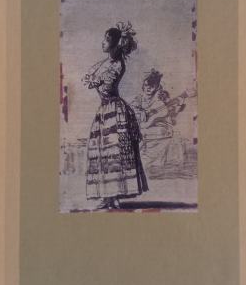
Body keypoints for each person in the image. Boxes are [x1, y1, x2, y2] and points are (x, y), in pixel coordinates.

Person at [81, 22, 148, 209]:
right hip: (104, 110)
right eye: (104, 39)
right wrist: (94, 81)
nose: (102, 43)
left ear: (116, 44)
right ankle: (107, 197)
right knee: (103, 153)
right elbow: (89, 80)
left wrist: (96, 81)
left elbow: (107, 88)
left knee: (114, 153)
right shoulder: (104, 63)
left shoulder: (118, 65)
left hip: (114, 111)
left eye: (106, 40)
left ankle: (114, 195)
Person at [131, 69, 190, 177]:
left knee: (148, 137)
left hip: (161, 129)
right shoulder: (139, 98)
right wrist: (140, 113)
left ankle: (145, 163)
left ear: (157, 87)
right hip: (145, 127)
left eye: (152, 86)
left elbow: (166, 114)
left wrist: (177, 107)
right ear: (143, 86)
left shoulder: (160, 99)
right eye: (146, 85)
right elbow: (132, 109)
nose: (148, 88)